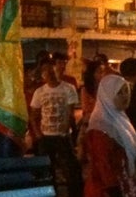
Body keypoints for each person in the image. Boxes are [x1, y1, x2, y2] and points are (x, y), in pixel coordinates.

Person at [29, 59, 83, 196]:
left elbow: (71, 113)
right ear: (42, 75)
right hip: (46, 136)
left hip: (63, 136)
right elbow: (33, 115)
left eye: (52, 69)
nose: (50, 73)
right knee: (47, 168)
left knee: (71, 168)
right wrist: (39, 135)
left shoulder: (68, 89)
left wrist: (66, 128)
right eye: (46, 71)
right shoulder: (39, 92)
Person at [85, 75, 136, 196]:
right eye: (119, 93)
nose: (125, 96)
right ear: (107, 96)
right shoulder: (100, 127)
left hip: (125, 184)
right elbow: (103, 164)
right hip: (108, 189)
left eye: (126, 91)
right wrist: (114, 191)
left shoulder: (121, 120)